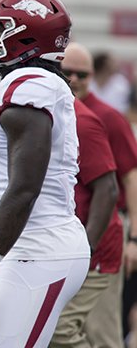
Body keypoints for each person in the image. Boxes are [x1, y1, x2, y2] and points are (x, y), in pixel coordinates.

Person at [0, 0, 90, 347]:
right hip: (24, 248)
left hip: (39, 248)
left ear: (27, 37)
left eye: (1, 28)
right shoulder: (27, 83)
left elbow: (24, 189)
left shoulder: (29, 84)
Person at [58, 41, 137, 347]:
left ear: (92, 76)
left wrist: (133, 239)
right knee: (65, 326)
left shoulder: (107, 117)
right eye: (67, 72)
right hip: (71, 231)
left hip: (105, 229)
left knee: (102, 327)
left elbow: (130, 179)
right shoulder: (56, 110)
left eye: (82, 74)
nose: (74, 79)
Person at [50, 96, 120, 347]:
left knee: (66, 329)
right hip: (60, 250)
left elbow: (111, 188)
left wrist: (86, 250)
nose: (75, 79)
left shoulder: (83, 121)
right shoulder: (46, 112)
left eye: (81, 74)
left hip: (93, 250)